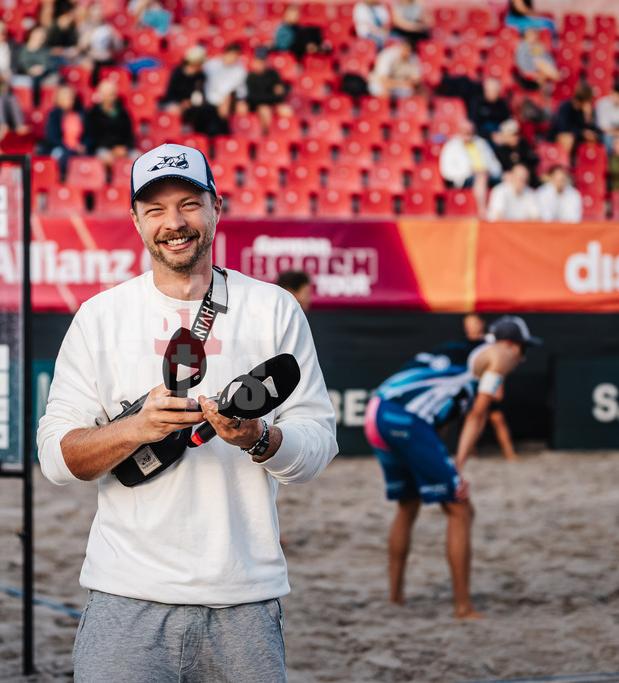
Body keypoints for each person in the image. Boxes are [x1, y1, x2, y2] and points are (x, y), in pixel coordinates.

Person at [37, 142, 338, 678]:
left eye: (189, 203)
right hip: (125, 599)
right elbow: (59, 462)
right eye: (154, 209)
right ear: (135, 220)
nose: (174, 223)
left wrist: (256, 438)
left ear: (216, 207)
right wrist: (136, 428)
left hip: (245, 601)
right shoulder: (100, 317)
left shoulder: (273, 308)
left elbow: (317, 448)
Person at [365, 315, 541, 619]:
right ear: (511, 344)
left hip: (377, 412)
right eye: (523, 350)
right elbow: (478, 414)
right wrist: (458, 467)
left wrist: (448, 463)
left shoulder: (463, 354)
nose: (522, 359)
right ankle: (463, 608)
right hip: (405, 418)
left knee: (408, 505)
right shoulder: (501, 355)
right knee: (461, 508)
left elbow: (440, 420)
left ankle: (395, 598)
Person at [462, 314, 519, 462]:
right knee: (475, 418)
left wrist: (498, 386)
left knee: (496, 418)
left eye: (474, 323)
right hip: (474, 387)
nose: (471, 326)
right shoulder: (465, 345)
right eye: (468, 323)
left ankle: (509, 453)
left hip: (489, 382)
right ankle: (469, 452)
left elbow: (498, 367)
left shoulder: (490, 342)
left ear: (482, 323)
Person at [439, 119, 502, 217]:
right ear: (459, 131)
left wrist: (488, 171)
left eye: (470, 130)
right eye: (465, 130)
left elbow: (495, 166)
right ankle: (482, 211)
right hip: (463, 179)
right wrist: (469, 172)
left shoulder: (481, 143)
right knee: (481, 178)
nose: (468, 133)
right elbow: (446, 171)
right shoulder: (451, 146)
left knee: (507, 180)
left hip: (487, 175)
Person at [85, 78, 135, 168]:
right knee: (108, 159)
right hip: (103, 148)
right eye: (108, 94)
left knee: (139, 158)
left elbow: (129, 135)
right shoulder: (93, 113)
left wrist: (125, 148)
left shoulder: (123, 112)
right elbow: (93, 137)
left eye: (112, 94)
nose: (111, 97)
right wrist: (113, 149)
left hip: (123, 149)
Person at [39, 84, 87, 176]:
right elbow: (52, 137)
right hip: (61, 147)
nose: (71, 101)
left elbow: (88, 134)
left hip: (78, 148)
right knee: (62, 156)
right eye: (68, 98)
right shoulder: (54, 114)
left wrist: (83, 145)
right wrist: (69, 146)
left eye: (72, 98)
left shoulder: (79, 115)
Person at [246, 46, 292, 135]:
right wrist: (271, 96)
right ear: (254, 61)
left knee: (286, 110)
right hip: (258, 106)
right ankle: (268, 138)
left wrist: (267, 98)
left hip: (273, 104)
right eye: (259, 61)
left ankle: (285, 138)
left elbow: (280, 95)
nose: (261, 63)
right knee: (265, 110)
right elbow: (253, 98)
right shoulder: (250, 77)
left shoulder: (273, 74)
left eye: (263, 61)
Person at [202, 42, 248, 121]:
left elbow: (241, 91)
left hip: (232, 99)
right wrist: (221, 100)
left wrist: (232, 99)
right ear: (225, 53)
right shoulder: (210, 66)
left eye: (235, 55)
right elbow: (209, 88)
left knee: (242, 108)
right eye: (231, 55)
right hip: (213, 99)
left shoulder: (240, 70)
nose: (233, 58)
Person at [549, 83, 600, 153]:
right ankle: (564, 162)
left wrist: (588, 117)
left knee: (592, 138)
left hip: (579, 138)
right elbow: (562, 127)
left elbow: (593, 130)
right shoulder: (565, 107)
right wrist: (582, 133)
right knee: (568, 138)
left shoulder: (587, 112)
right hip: (560, 137)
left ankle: (587, 161)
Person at [159, 45, 206, 114]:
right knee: (173, 109)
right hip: (177, 103)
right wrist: (182, 102)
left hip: (193, 106)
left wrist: (192, 102)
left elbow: (200, 94)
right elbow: (170, 94)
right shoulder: (177, 72)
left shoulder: (201, 76)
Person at [492, 118, 539, 184]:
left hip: (529, 181)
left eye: (517, 134)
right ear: (505, 136)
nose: (516, 137)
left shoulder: (524, 146)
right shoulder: (500, 150)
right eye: (513, 135)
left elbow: (534, 160)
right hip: (509, 182)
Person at [469, 77, 513, 143]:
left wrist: (504, 135)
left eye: (496, 91)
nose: (494, 94)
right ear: (485, 90)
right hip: (482, 138)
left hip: (500, 136)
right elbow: (474, 125)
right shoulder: (477, 103)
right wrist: (490, 135)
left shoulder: (503, 104)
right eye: (492, 91)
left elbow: (507, 122)